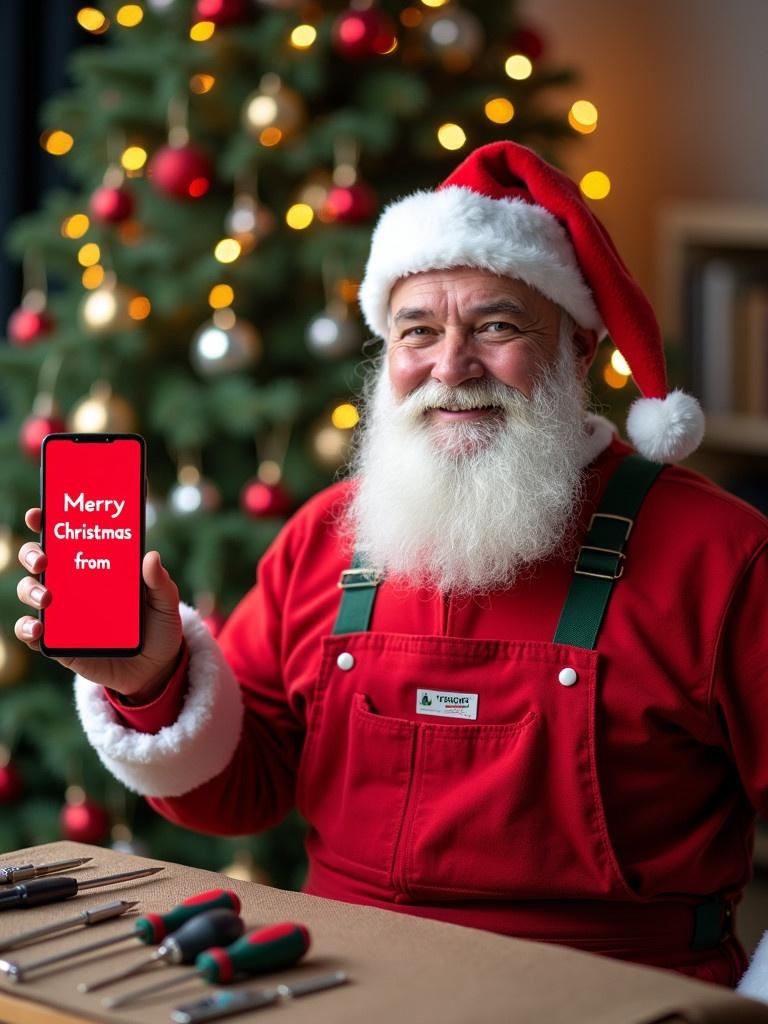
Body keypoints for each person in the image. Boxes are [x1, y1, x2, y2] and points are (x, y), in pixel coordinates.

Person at [14, 141, 768, 994]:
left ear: (578, 351)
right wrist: (153, 681)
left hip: (615, 996)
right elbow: (241, 792)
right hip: (338, 988)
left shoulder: (724, 555)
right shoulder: (325, 538)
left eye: (496, 326)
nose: (452, 367)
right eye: (419, 331)